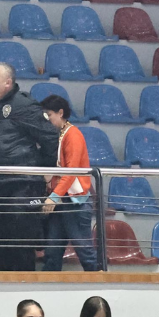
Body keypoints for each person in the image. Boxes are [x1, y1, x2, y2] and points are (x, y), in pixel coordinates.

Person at [0, 62, 57, 272]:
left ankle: (24, 289)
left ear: (7, 83)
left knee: (19, 246)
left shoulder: (24, 105)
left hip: (20, 187)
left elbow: (50, 139)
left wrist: (41, 169)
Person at [38, 94, 97, 272]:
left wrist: (54, 196)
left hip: (73, 201)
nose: (48, 120)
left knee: (83, 251)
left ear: (60, 113)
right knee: (52, 252)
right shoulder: (65, 134)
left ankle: (98, 282)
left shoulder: (73, 135)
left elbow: (71, 171)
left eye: (49, 115)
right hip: (66, 200)